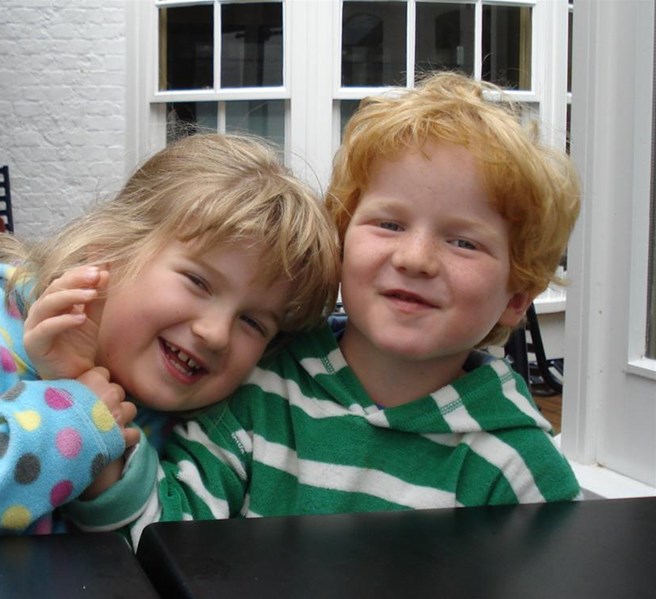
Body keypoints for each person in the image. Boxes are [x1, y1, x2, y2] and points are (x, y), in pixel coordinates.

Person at [62, 71, 583, 547]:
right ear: (341, 244)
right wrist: (102, 453)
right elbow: (162, 542)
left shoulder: (518, 468)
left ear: (517, 297)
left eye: (464, 242)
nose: (415, 258)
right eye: (389, 224)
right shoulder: (260, 387)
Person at [0, 133, 340, 541]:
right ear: (109, 247)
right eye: (198, 281)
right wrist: (68, 423)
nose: (215, 334)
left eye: (253, 322)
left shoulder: (198, 421)